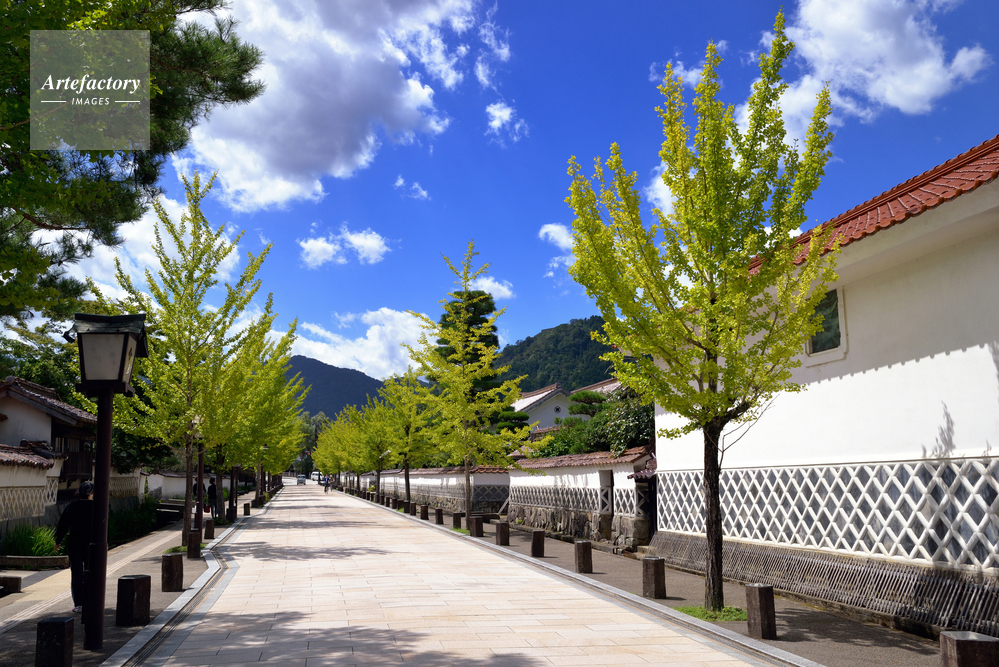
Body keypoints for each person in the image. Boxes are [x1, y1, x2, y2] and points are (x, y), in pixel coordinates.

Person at [55, 481, 94, 613]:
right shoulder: (96, 507)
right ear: (91, 493)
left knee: (76, 574)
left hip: (74, 544)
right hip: (91, 544)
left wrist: (58, 540)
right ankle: (90, 600)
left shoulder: (71, 507)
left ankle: (78, 604)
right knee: (90, 573)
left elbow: (63, 525)